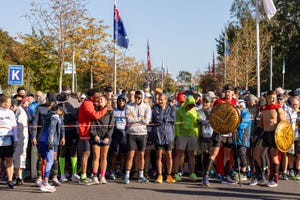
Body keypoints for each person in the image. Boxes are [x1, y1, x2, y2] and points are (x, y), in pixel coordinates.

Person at [202, 84, 237, 186]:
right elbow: (213, 115)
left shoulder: (234, 102)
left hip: (230, 131)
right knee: (214, 153)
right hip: (219, 131)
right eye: (226, 92)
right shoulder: (219, 102)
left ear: (233, 93)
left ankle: (225, 176)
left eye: (230, 92)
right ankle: (206, 176)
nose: (228, 94)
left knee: (227, 154)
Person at [250, 90, 286, 187]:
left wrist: (281, 138)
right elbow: (260, 125)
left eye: (274, 97)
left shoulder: (279, 109)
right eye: (271, 97)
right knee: (255, 154)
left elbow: (284, 125)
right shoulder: (264, 109)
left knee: (274, 156)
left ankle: (274, 179)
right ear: (267, 98)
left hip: (275, 135)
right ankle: (259, 177)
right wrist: (256, 135)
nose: (273, 99)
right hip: (265, 134)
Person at [77, 88, 108, 185]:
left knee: (88, 154)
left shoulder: (90, 103)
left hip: (89, 132)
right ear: (91, 97)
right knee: (86, 153)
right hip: (84, 132)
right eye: (97, 97)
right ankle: (83, 177)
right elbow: (95, 115)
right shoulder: (87, 104)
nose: (98, 98)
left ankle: (85, 175)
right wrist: (105, 109)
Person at [122, 90, 151, 184]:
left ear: (142, 97)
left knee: (141, 155)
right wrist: (140, 119)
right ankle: (127, 176)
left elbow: (146, 121)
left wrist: (135, 119)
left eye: (139, 97)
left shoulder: (147, 107)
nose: (137, 99)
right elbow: (128, 120)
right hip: (132, 133)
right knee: (130, 155)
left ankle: (141, 175)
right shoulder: (129, 106)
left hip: (142, 134)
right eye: (136, 97)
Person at [37, 104, 66, 192]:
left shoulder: (47, 115)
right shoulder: (55, 116)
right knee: (50, 161)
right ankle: (45, 183)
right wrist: (50, 142)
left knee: (44, 161)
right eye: (62, 111)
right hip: (48, 142)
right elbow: (52, 130)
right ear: (58, 109)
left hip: (41, 140)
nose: (62, 113)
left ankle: (43, 181)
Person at [31, 92, 57, 186]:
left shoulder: (56, 109)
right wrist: (33, 136)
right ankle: (39, 178)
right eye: (50, 101)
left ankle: (53, 177)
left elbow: (59, 125)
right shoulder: (39, 108)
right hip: (41, 137)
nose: (51, 103)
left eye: (53, 101)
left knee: (52, 158)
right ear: (46, 99)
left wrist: (62, 137)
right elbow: (34, 123)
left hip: (54, 138)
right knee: (41, 158)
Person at [173, 95, 199, 181]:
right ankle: (176, 173)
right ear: (186, 103)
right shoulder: (179, 111)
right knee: (179, 154)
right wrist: (177, 136)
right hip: (181, 135)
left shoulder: (195, 112)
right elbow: (176, 124)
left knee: (192, 155)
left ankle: (192, 173)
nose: (191, 106)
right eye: (190, 105)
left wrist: (196, 134)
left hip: (192, 135)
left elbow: (196, 124)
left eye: (193, 105)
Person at [90, 95, 114, 184]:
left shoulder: (110, 112)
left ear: (106, 102)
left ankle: (102, 175)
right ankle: (95, 175)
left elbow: (111, 126)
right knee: (96, 156)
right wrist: (95, 135)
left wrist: (108, 137)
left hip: (106, 137)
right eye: (99, 99)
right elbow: (92, 124)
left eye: (102, 99)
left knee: (104, 157)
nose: (99, 100)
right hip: (96, 137)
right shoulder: (95, 110)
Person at [152, 93, 176, 183]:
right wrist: (162, 111)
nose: (160, 101)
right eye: (159, 99)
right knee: (159, 156)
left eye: (162, 99)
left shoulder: (171, 108)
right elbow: (157, 118)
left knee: (169, 156)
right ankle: (159, 175)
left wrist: (164, 119)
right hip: (158, 135)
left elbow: (172, 119)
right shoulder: (155, 108)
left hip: (169, 135)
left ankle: (169, 175)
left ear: (166, 100)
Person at [0, 95, 18, 189]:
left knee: (9, 159)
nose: (10, 104)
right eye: (9, 103)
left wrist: (16, 139)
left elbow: (14, 126)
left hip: (8, 138)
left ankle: (10, 180)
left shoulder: (10, 112)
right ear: (3, 103)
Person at [232, 100, 252, 182]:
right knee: (236, 155)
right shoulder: (237, 113)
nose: (238, 106)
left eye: (239, 105)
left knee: (242, 154)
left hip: (243, 138)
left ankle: (244, 172)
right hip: (236, 138)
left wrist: (234, 124)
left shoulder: (246, 114)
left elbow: (242, 125)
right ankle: (238, 171)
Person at [109, 94, 128, 180]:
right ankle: (113, 171)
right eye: (119, 100)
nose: (121, 102)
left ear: (125, 102)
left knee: (122, 154)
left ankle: (121, 171)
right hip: (115, 133)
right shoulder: (114, 111)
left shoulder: (127, 111)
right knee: (114, 153)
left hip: (124, 133)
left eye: (123, 100)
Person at [11, 98, 29, 185]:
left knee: (19, 157)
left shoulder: (21, 113)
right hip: (17, 138)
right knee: (17, 157)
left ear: (13, 106)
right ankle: (18, 176)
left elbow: (19, 127)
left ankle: (19, 176)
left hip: (21, 138)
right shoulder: (17, 111)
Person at [197, 95, 214, 176]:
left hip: (211, 135)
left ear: (210, 103)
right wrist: (210, 121)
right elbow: (201, 121)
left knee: (211, 153)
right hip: (202, 135)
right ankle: (204, 169)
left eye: (207, 102)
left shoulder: (213, 111)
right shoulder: (199, 111)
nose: (205, 103)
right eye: (204, 101)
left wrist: (208, 121)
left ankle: (209, 169)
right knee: (203, 153)